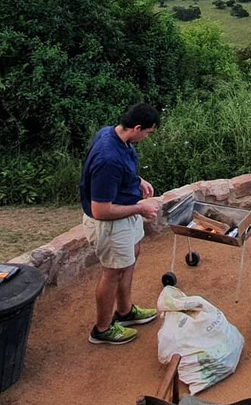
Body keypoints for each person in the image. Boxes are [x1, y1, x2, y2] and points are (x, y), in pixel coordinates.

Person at [80, 103, 162, 345]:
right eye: (148, 132)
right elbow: (100, 210)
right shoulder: (108, 159)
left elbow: (120, 173)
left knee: (131, 257)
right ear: (137, 128)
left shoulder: (113, 134)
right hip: (110, 225)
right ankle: (102, 329)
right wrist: (141, 208)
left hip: (125, 216)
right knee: (113, 272)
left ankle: (125, 313)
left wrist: (137, 181)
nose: (147, 137)